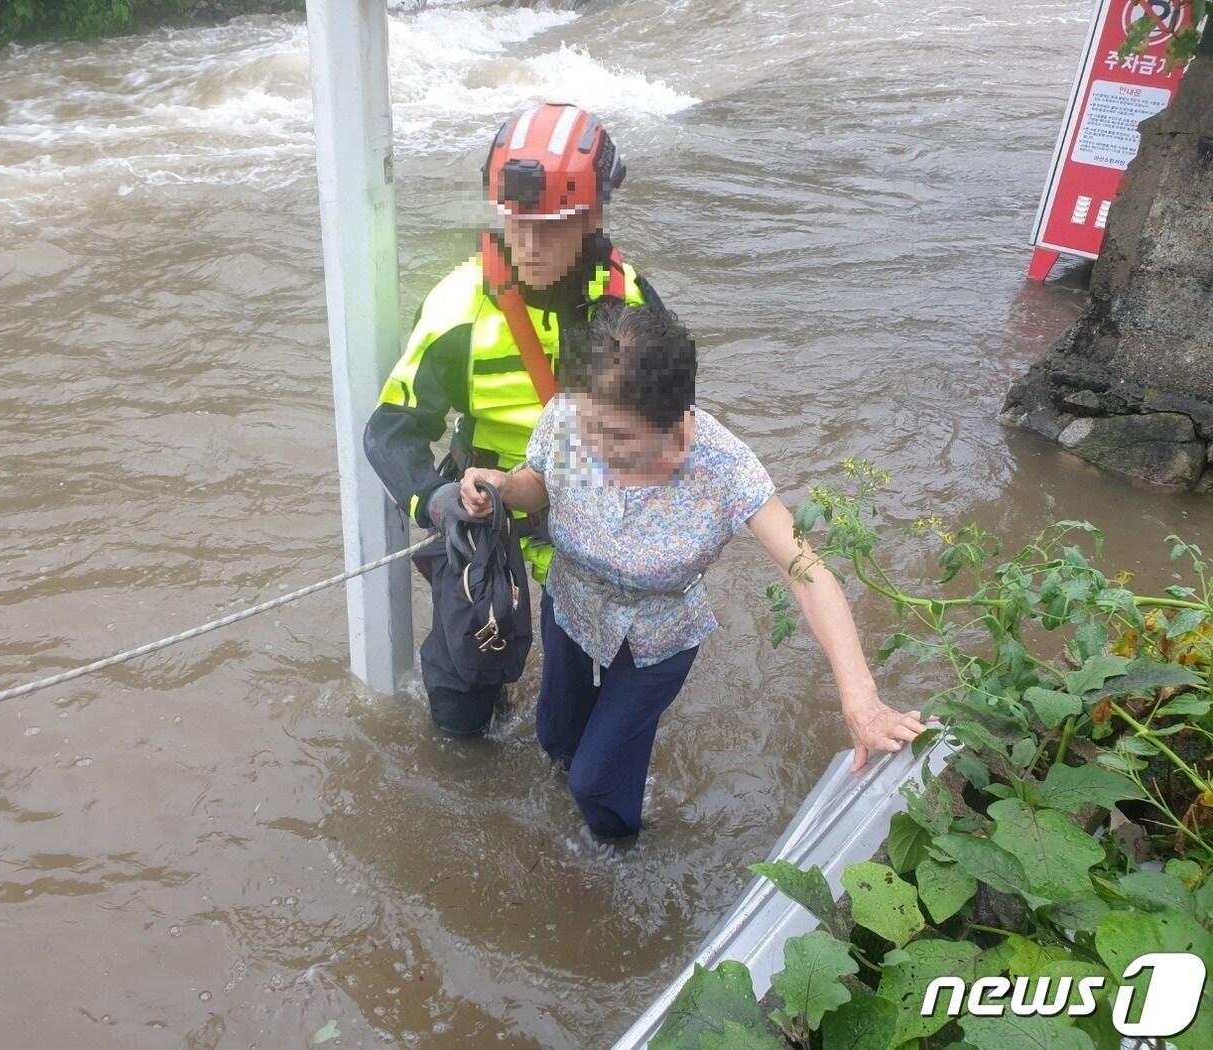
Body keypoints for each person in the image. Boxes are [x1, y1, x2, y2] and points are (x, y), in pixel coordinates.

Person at [458, 302, 930, 840]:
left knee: (595, 781)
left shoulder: (724, 468)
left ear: (677, 425)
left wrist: (861, 698)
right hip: (571, 605)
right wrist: (499, 485)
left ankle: (615, 848)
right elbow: (538, 484)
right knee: (557, 739)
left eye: (617, 438)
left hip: (657, 638)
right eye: (588, 427)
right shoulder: (571, 421)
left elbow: (808, 571)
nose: (592, 446)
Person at [364, 103, 668, 738]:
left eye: (551, 227)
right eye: (515, 222)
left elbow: (673, 432)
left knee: (581, 732)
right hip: (485, 529)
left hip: (588, 538)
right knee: (460, 706)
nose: (528, 245)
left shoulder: (631, 305)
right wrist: (435, 499)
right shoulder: (460, 306)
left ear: (593, 218)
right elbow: (391, 427)